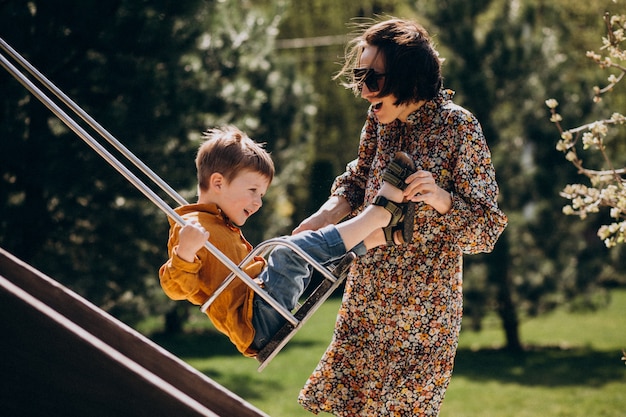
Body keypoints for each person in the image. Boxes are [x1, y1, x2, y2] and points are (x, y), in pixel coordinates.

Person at [296, 18, 508, 416]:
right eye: (360, 76)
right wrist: (321, 219)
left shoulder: (459, 127)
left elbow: (486, 230)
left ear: (408, 76)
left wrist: (443, 199)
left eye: (371, 78)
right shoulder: (379, 121)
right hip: (366, 298)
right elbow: (357, 181)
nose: (362, 89)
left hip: (423, 313)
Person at [159, 125, 417, 357]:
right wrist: (185, 253)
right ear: (217, 182)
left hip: (260, 303)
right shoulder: (191, 228)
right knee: (288, 251)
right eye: (252, 191)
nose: (258, 202)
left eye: (261, 194)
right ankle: (379, 215)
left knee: (299, 249)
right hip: (255, 322)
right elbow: (176, 289)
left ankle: (377, 236)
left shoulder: (217, 222)